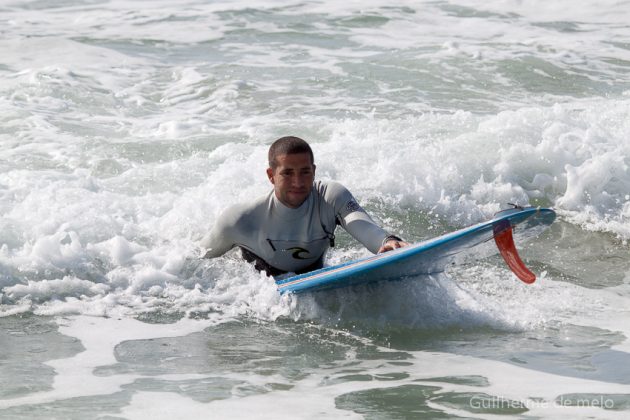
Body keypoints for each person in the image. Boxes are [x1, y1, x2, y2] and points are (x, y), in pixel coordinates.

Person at [201, 136, 409, 276]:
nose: (298, 182)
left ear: (314, 170)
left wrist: (387, 241)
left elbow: (363, 226)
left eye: (305, 172)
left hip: (313, 274)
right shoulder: (240, 220)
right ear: (271, 176)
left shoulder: (330, 197)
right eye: (288, 173)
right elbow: (194, 263)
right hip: (261, 289)